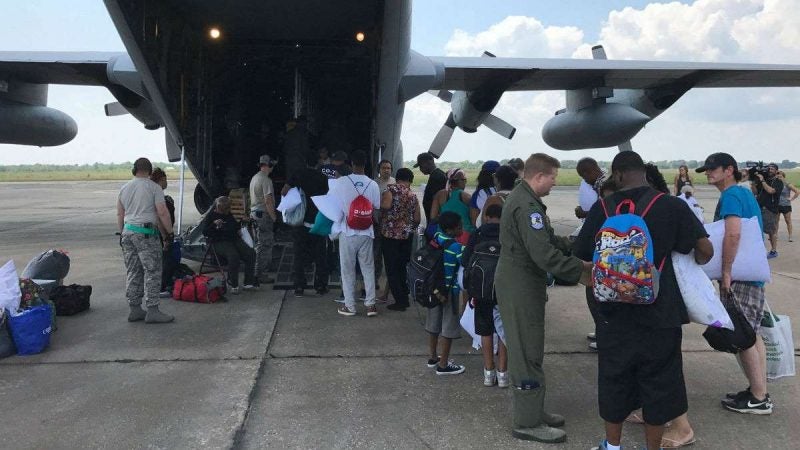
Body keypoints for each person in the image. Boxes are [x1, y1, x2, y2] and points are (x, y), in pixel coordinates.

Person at [575, 151, 712, 450]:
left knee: (614, 377)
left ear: (619, 174)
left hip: (613, 311)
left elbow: (582, 252)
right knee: (660, 382)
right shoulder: (672, 205)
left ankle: (612, 445)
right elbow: (705, 250)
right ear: (644, 174)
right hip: (661, 312)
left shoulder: (602, 208)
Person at [494, 153, 592, 443]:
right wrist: (581, 271)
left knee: (532, 349)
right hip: (520, 285)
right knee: (525, 353)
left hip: (524, 284)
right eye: (553, 178)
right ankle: (527, 422)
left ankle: (534, 410)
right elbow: (542, 254)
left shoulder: (528, 200)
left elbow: (548, 240)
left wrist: (574, 246)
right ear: (539, 176)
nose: (555, 183)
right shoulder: (527, 206)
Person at [697, 152, 773, 415]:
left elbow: (733, 233)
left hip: (740, 275)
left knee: (744, 336)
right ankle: (757, 389)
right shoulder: (742, 193)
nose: (708, 172)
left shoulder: (731, 196)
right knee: (751, 333)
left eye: (712, 168)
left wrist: (726, 272)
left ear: (729, 170)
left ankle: (759, 397)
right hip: (750, 274)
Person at [117, 157, 175, 323]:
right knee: (153, 271)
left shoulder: (124, 188)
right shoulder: (154, 187)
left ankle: (135, 309)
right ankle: (153, 310)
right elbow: (162, 212)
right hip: (146, 233)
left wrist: (122, 234)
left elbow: (120, 214)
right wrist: (170, 233)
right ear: (149, 171)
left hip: (128, 232)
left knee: (133, 271)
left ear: (134, 170)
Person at [330, 150, 381, 316]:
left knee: (348, 270)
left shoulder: (342, 182)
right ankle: (371, 305)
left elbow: (333, 204)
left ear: (351, 164)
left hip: (348, 231)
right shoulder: (373, 184)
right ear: (365, 164)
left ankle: (350, 306)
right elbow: (376, 208)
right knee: (368, 268)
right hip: (367, 232)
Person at [462, 203, 508, 388]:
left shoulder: (478, 234)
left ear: (487, 217)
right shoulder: (508, 234)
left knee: (485, 331)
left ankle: (488, 373)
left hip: (481, 291)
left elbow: (465, 261)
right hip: (503, 290)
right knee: (505, 332)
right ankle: (503, 373)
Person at [282, 153, 330, 297]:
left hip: (300, 222)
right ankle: (320, 286)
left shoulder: (297, 174)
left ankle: (299, 287)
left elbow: (284, 191)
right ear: (318, 163)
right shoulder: (322, 178)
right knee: (321, 255)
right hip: (317, 222)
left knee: (299, 255)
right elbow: (327, 197)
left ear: (305, 162)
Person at [425, 211, 467, 375]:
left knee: (433, 324)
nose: (462, 229)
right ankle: (443, 364)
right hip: (450, 291)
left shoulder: (436, 238)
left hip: (433, 288)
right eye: (460, 226)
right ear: (453, 229)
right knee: (448, 326)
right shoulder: (456, 247)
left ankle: (433, 356)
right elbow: (465, 261)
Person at [380, 168, 420, 311]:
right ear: (410, 180)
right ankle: (404, 296)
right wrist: (407, 229)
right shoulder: (413, 195)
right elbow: (417, 219)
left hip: (390, 236)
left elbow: (386, 205)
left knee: (391, 268)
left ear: (397, 178)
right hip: (406, 236)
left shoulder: (390, 191)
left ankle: (400, 301)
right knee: (402, 267)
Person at [201, 196, 257, 294]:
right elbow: (205, 232)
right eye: (226, 209)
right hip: (218, 241)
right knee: (233, 256)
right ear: (219, 208)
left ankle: (248, 282)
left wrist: (242, 221)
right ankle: (233, 283)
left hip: (233, 238)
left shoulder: (228, 214)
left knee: (250, 253)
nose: (228, 211)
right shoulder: (210, 216)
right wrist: (214, 225)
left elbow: (234, 226)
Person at [249, 154, 277, 286]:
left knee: (259, 244)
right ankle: (261, 274)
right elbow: (268, 201)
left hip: (255, 213)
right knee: (265, 245)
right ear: (268, 165)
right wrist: (274, 217)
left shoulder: (255, 178)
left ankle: (257, 271)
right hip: (263, 215)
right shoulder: (266, 180)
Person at [149, 168, 177, 297]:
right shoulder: (159, 195)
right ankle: (162, 287)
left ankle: (163, 284)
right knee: (167, 260)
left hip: (150, 232)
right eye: (165, 179)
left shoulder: (151, 193)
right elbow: (160, 216)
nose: (167, 182)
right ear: (161, 180)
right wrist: (167, 236)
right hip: (161, 233)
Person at [430, 168, 476, 238]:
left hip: (443, 235)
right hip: (464, 236)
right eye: (464, 180)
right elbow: (474, 221)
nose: (465, 182)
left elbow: (433, 218)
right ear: (459, 180)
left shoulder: (439, 194)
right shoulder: (466, 196)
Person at [374, 159, 396, 301]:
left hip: (391, 225)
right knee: (375, 255)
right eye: (383, 168)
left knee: (388, 256)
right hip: (376, 223)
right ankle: (374, 280)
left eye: (388, 168)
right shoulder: (374, 184)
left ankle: (390, 283)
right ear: (379, 169)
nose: (386, 170)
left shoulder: (395, 183)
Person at [751, 162, 783, 258]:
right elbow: (755, 192)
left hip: (770, 209)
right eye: (769, 168)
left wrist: (762, 181)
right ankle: (758, 249)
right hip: (759, 207)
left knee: (771, 231)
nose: (770, 170)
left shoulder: (778, 181)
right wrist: (753, 183)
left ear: (776, 171)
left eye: (772, 169)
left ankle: (773, 251)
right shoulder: (764, 180)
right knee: (757, 229)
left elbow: (771, 191)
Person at [414, 152, 447, 223]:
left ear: (429, 162)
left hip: (436, 220)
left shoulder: (437, 177)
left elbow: (438, 199)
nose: (420, 169)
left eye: (421, 165)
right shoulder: (436, 175)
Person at [776, 170, 798, 241]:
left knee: (788, 221)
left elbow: (797, 191)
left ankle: (790, 236)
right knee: (776, 221)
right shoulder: (775, 184)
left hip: (786, 205)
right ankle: (775, 235)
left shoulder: (787, 184)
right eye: (778, 176)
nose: (779, 177)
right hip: (777, 205)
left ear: (783, 177)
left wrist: (791, 199)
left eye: (780, 176)